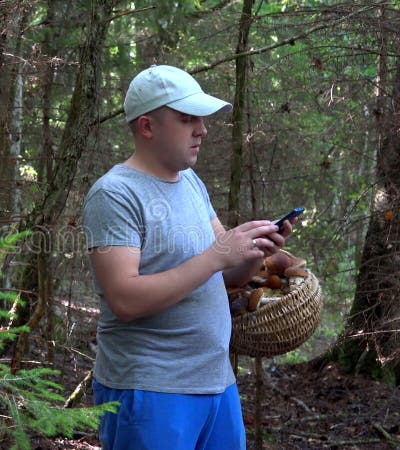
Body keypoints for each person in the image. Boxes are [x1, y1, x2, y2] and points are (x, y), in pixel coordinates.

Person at [82, 65, 294, 450]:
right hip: (150, 390)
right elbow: (125, 299)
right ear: (147, 127)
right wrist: (217, 256)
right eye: (187, 119)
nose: (202, 129)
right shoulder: (114, 195)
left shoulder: (191, 182)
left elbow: (224, 276)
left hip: (216, 384)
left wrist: (256, 252)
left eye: (201, 118)